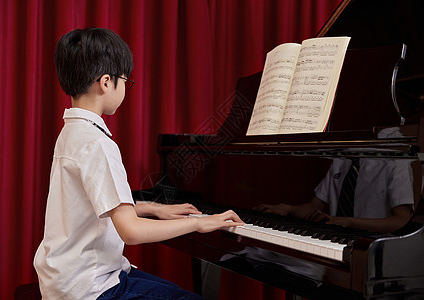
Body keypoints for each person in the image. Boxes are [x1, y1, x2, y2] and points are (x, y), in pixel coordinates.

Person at [33, 28, 244, 300]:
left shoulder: (72, 132)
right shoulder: (98, 143)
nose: (125, 88)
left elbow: (97, 202)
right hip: (89, 288)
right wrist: (201, 223)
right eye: (125, 80)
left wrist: (155, 208)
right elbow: (130, 232)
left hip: (68, 278)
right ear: (106, 82)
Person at [255, 157, 415, 233]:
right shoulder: (342, 160)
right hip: (336, 239)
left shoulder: (396, 163)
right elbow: (314, 207)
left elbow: (401, 219)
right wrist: (287, 209)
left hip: (371, 245)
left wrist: (347, 222)